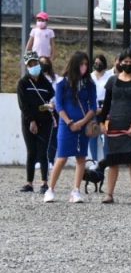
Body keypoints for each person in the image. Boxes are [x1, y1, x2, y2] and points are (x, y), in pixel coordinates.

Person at [44, 52, 97, 204]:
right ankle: (50, 189)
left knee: (81, 158)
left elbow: (93, 106)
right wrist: (69, 122)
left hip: (84, 125)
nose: (84, 67)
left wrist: (81, 123)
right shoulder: (62, 83)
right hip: (65, 125)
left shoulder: (89, 84)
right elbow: (59, 105)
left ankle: (76, 190)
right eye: (82, 64)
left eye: (87, 64)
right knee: (62, 157)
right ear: (75, 65)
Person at [98, 50, 131, 205]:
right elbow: (106, 104)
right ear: (119, 62)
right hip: (114, 125)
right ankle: (109, 194)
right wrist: (101, 122)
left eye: (130, 61)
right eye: (124, 61)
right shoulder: (112, 81)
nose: (127, 64)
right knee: (112, 162)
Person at [16, 51, 55, 193]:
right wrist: (31, 120)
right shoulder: (23, 83)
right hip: (28, 122)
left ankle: (45, 183)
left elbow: (52, 99)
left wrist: (50, 106)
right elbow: (23, 105)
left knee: (43, 151)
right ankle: (29, 183)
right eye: (30, 64)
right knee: (31, 151)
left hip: (45, 121)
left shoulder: (46, 83)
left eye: (35, 63)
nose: (34, 66)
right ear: (27, 66)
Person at [89, 55, 114, 162]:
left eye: (100, 62)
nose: (98, 64)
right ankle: (94, 160)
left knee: (106, 134)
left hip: (106, 111)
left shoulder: (109, 77)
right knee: (93, 136)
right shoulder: (90, 77)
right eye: (96, 62)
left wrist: (106, 110)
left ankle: (107, 160)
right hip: (93, 111)